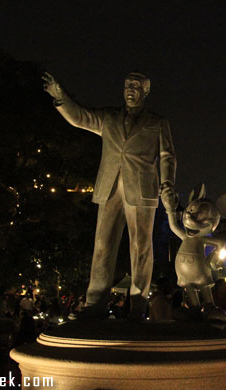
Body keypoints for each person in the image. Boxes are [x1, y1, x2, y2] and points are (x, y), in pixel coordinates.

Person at [43, 72, 176, 319]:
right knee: (102, 245)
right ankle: (95, 303)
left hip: (142, 189)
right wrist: (61, 98)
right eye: (127, 85)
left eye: (135, 86)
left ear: (146, 91)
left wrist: (167, 183)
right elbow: (80, 118)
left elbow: (168, 155)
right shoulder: (109, 117)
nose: (130, 89)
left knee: (141, 248)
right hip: (110, 186)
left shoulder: (157, 121)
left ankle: (138, 305)